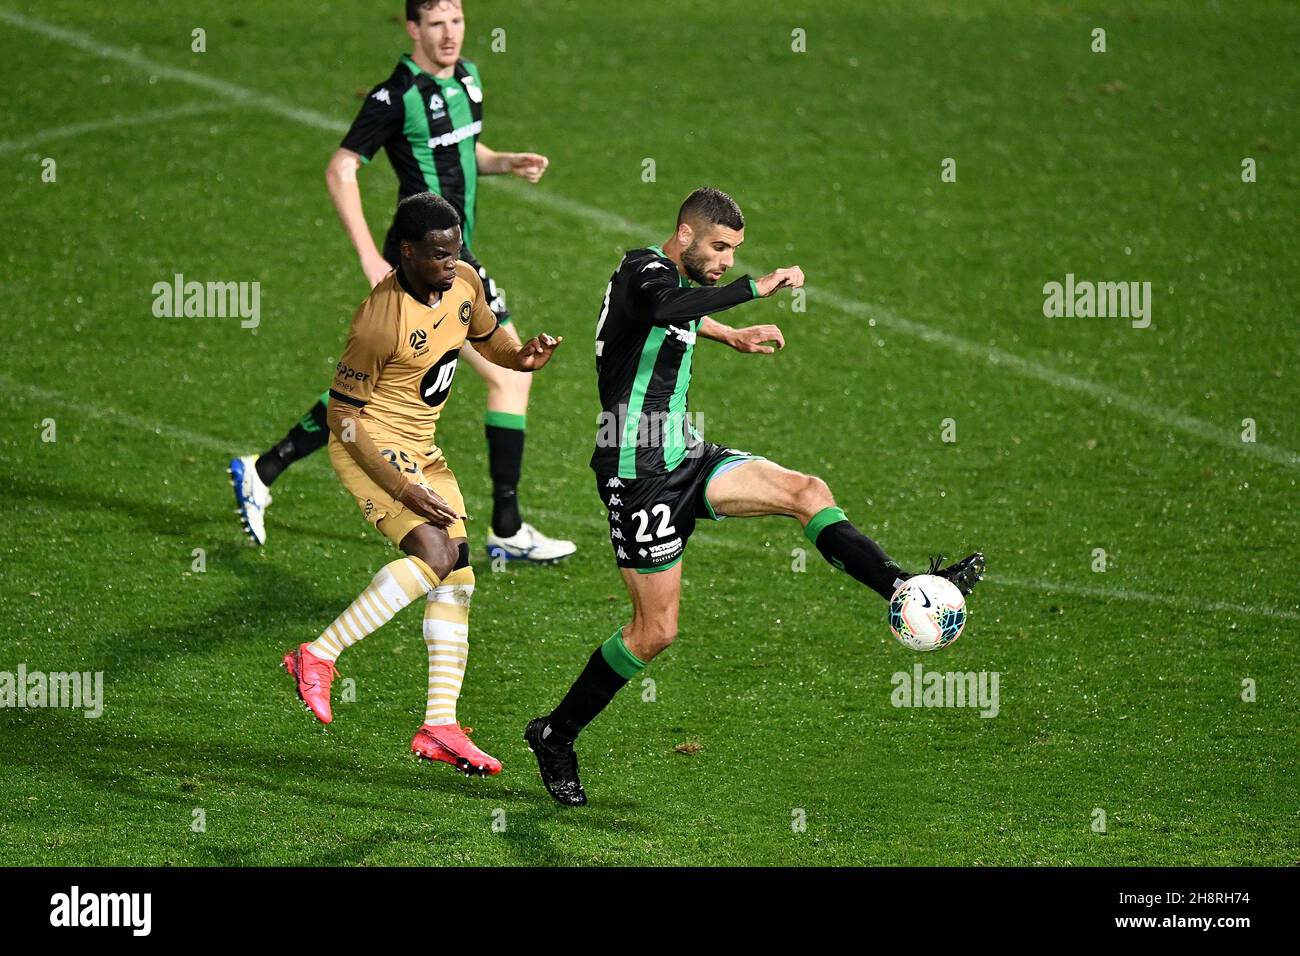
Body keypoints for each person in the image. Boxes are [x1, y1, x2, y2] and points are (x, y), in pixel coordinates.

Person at [524, 187, 984, 804]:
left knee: (806, 491)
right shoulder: (642, 272)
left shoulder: (666, 281)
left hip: (685, 453)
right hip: (637, 474)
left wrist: (729, 334)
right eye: (718, 248)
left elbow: (681, 312)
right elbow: (663, 308)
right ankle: (555, 734)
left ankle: (903, 588)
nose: (724, 260)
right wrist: (751, 288)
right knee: (654, 631)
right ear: (684, 234)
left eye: (734, 252)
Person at [230, 0, 574, 563]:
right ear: (412, 28)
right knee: (493, 379)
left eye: (456, 21)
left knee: (405, 387)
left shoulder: (467, 78)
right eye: (436, 24)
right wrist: (368, 255)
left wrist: (504, 161)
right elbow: (341, 169)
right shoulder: (394, 96)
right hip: (421, 265)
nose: (449, 35)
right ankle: (507, 529)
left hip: (454, 257)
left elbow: (463, 149)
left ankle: (264, 468)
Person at [284, 192, 563, 775]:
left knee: (457, 575)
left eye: (455, 250)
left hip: (423, 449)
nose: (449, 262)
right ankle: (317, 654)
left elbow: (488, 339)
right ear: (406, 252)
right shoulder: (378, 321)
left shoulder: (462, 281)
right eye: (436, 254)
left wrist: (522, 358)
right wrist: (402, 487)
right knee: (434, 551)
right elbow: (343, 418)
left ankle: (439, 725)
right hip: (372, 447)